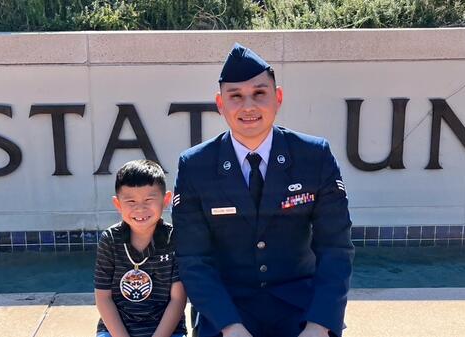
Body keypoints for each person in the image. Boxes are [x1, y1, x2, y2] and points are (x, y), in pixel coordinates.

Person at [172, 43, 354, 337]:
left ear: (277, 97)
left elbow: (335, 248)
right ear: (220, 104)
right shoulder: (196, 166)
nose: (248, 107)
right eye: (236, 96)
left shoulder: (313, 156)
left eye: (259, 93)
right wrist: (230, 326)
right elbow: (194, 259)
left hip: (301, 307)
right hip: (229, 309)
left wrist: (320, 324)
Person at [94, 159, 187, 337]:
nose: (140, 208)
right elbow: (103, 297)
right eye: (131, 201)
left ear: (166, 199)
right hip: (116, 330)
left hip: (167, 330)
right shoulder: (110, 240)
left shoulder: (174, 239)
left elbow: (178, 299)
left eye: (149, 199)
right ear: (118, 204)